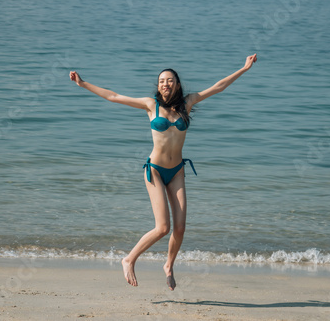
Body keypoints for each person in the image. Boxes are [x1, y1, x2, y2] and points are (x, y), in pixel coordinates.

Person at [69, 54, 257, 290]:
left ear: (177, 84)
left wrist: (244, 68)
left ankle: (168, 265)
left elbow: (218, 87)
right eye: (161, 81)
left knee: (180, 228)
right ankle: (128, 259)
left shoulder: (187, 103)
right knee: (163, 227)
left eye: (169, 80)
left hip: (177, 170)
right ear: (158, 86)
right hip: (155, 170)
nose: (165, 84)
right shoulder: (151, 105)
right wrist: (82, 83)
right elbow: (114, 96)